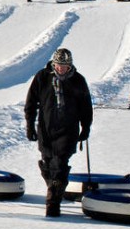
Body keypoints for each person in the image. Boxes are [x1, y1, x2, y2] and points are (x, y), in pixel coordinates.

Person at [25, 48, 93, 217]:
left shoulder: (78, 80)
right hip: (46, 130)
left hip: (68, 131)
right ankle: (53, 187)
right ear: (53, 64)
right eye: (59, 65)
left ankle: (53, 204)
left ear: (70, 66)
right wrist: (30, 125)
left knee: (59, 165)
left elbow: (86, 107)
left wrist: (86, 128)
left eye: (65, 66)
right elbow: (31, 103)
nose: (61, 68)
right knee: (48, 164)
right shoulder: (42, 77)